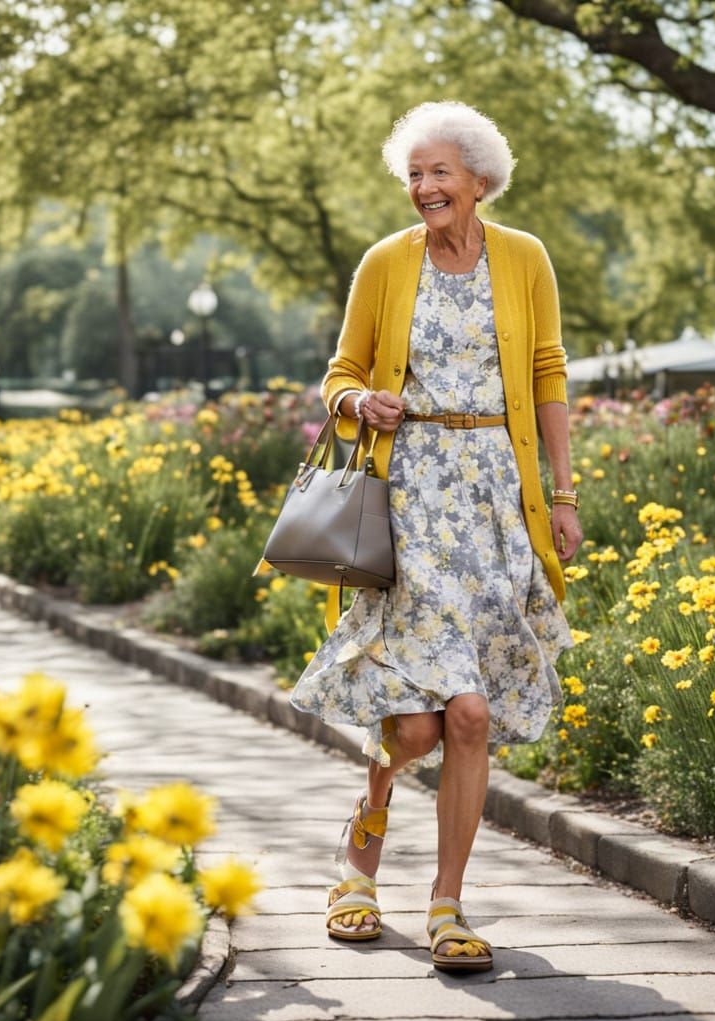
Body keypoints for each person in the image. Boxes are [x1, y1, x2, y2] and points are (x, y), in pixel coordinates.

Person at [290, 101, 582, 973]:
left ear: (479, 180)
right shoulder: (386, 264)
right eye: (414, 174)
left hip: (497, 500)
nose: (423, 188)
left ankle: (447, 904)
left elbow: (546, 373)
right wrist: (355, 401)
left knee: (471, 715)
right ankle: (361, 850)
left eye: (439, 173)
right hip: (411, 498)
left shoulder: (524, 258)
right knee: (414, 730)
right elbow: (342, 370)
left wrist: (563, 495)